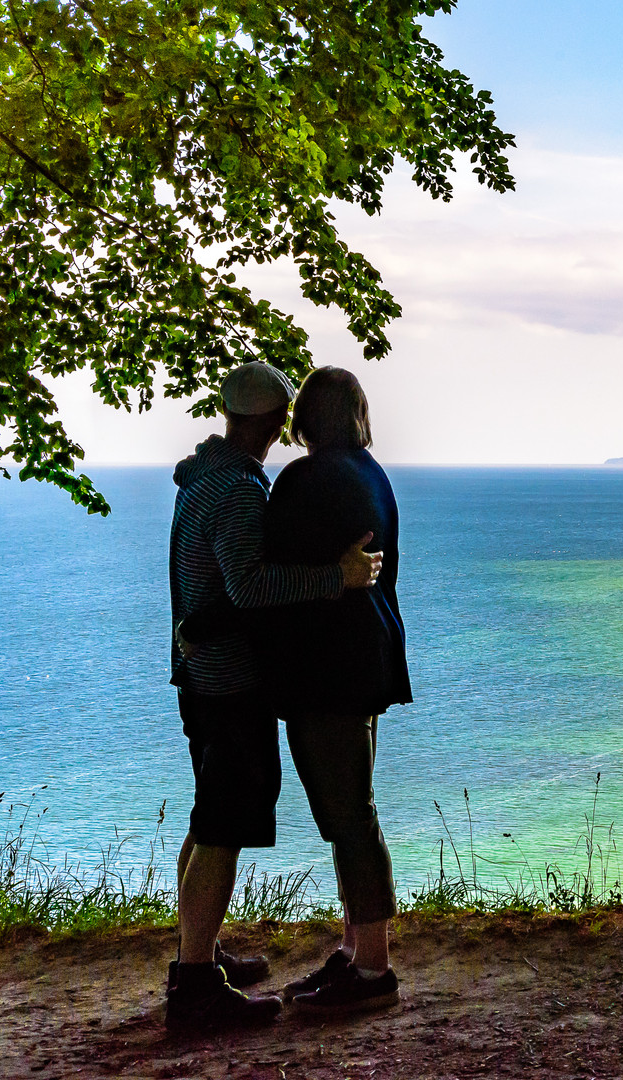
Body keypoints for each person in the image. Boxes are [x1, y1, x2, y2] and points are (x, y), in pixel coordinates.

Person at [165, 362, 382, 1033]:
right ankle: (195, 982)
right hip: (229, 682)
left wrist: (197, 629)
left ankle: (197, 950)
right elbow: (250, 589)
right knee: (224, 827)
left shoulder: (205, 478)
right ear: (272, 420)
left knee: (210, 819)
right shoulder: (235, 491)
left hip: (204, 676)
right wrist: (334, 576)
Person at [257, 366, 412, 1015]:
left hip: (328, 669)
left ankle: (373, 969)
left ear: (306, 419)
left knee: (349, 815)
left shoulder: (304, 479)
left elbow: (264, 569)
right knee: (354, 807)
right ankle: (355, 953)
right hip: (371, 660)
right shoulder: (374, 474)